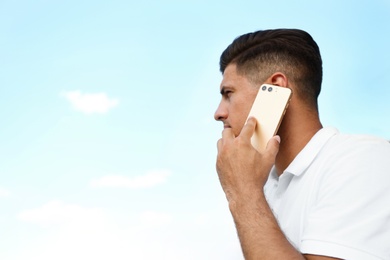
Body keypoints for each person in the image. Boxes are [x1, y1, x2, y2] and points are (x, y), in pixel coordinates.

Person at [214, 29, 390, 260]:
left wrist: (243, 191)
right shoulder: (268, 187)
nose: (219, 113)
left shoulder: (364, 159)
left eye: (228, 93)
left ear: (276, 87)